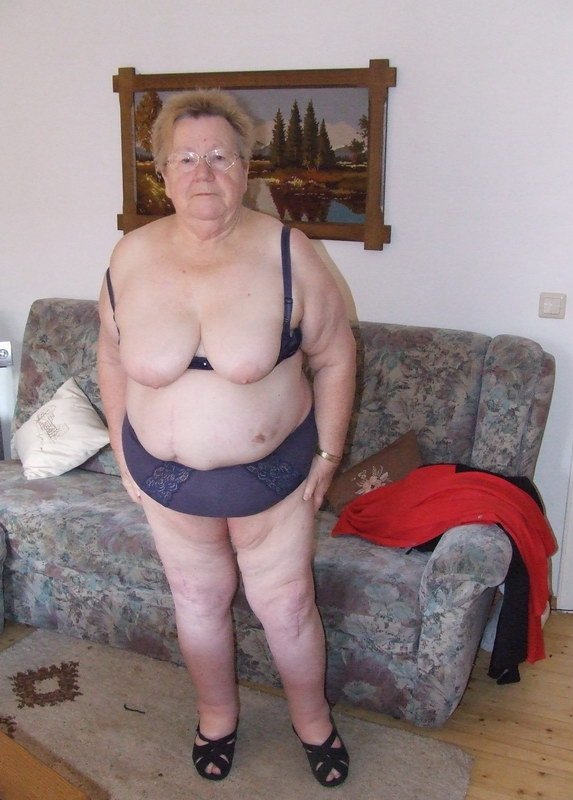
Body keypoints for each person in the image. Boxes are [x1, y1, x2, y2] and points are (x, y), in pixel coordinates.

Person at [98, 89, 356, 787]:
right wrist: (121, 450)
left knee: (287, 608)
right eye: (185, 158)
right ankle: (216, 716)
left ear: (245, 168)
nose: (203, 171)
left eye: (220, 155)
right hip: (166, 481)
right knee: (197, 602)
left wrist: (328, 454)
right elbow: (111, 356)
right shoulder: (130, 255)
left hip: (272, 478)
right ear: (162, 172)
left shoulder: (288, 253)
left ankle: (313, 721)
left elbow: (335, 356)